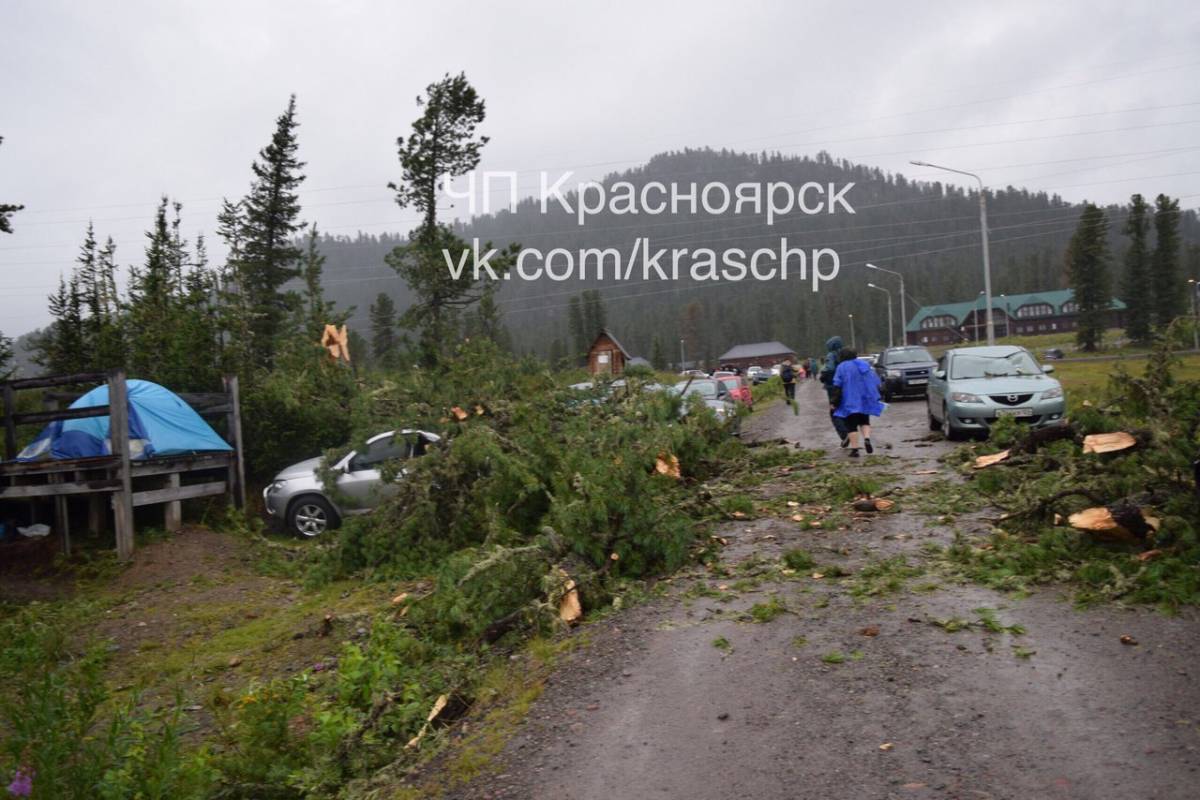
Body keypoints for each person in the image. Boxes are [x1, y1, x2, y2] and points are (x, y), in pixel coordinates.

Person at [830, 347, 885, 458]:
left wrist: (834, 402)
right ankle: (867, 439)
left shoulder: (841, 367)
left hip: (849, 401)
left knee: (851, 426)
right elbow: (874, 380)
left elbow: (837, 385)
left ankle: (855, 449)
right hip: (864, 399)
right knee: (864, 421)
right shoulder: (864, 364)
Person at [818, 336, 850, 444]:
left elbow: (829, 368)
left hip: (833, 387)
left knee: (834, 412)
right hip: (846, 386)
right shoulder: (845, 354)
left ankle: (845, 435)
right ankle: (850, 433)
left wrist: (823, 376)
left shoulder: (831, 355)